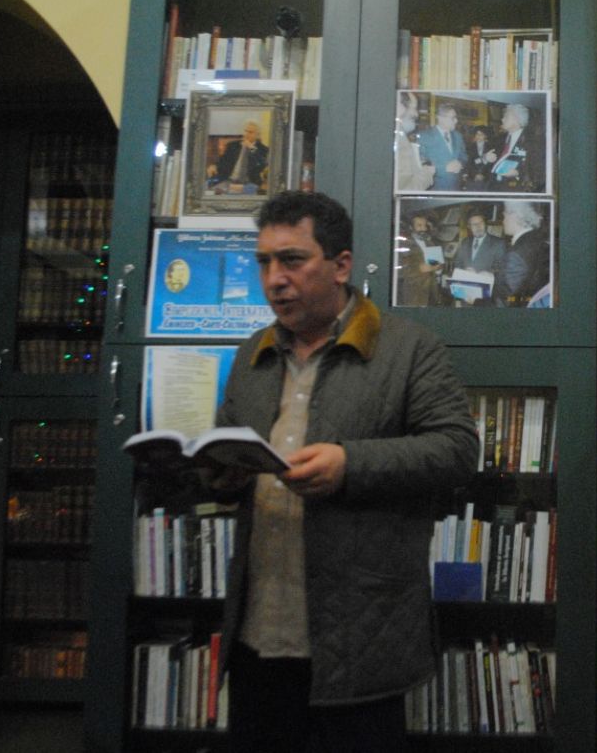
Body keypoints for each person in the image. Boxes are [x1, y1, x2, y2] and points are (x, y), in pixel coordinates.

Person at [205, 191, 478, 753]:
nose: (274, 279)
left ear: (341, 265)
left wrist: (350, 464)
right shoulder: (252, 354)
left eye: (292, 260)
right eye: (264, 262)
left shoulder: (409, 349)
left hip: (360, 640)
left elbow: (455, 449)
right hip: (257, 635)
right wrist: (216, 474)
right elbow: (227, 444)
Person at [494, 200, 550, 307]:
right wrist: (493, 277)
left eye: (504, 216)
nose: (503, 221)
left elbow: (505, 303)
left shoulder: (516, 254)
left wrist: (475, 301)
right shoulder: (538, 240)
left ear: (515, 216)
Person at [484, 102, 545, 193]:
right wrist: (486, 158)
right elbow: (487, 163)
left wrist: (518, 173)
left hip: (516, 190)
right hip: (494, 188)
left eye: (506, 116)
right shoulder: (499, 139)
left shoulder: (531, 141)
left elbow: (538, 169)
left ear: (517, 119)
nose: (502, 119)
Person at [414, 102, 467, 191]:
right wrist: (443, 168)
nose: (456, 121)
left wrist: (460, 163)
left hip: (456, 188)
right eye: (453, 118)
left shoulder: (458, 136)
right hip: (435, 188)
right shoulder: (424, 136)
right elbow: (419, 163)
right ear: (440, 118)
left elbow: (464, 156)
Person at [207, 120, 269, 194]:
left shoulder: (263, 149)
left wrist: (252, 148)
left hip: (249, 183)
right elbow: (223, 160)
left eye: (250, 132)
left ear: (257, 135)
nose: (246, 134)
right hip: (230, 180)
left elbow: (262, 163)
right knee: (212, 191)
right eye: (245, 131)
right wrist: (214, 166)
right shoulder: (233, 145)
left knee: (250, 191)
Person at [396, 213, 444, 306]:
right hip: (413, 295)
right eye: (419, 225)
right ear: (411, 227)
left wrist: (438, 268)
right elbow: (398, 270)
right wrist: (419, 269)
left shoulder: (430, 243)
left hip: (431, 294)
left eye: (425, 225)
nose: (424, 229)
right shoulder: (403, 244)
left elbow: (437, 267)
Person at [394, 91, 435, 192]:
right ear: (399, 107)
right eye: (414, 108)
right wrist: (428, 173)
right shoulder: (399, 141)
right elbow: (404, 190)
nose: (416, 114)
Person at [464, 125, 496, 189]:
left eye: (481, 134)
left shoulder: (491, 147)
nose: (478, 136)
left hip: (486, 178)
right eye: (477, 134)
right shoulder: (469, 147)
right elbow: (469, 163)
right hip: (472, 178)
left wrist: (483, 175)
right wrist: (475, 174)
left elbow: (492, 164)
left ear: (485, 136)